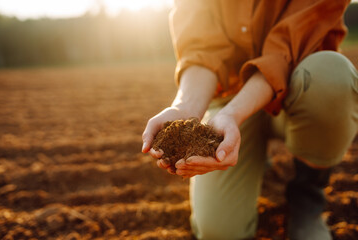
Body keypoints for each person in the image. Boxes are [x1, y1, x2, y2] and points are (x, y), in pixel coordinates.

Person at [142, 0, 357, 239]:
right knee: (220, 232)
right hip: (229, 101)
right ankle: (256, 165)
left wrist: (234, 113)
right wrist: (185, 107)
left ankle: (307, 198)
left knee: (332, 78)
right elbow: (201, 52)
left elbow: (284, 50)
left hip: (298, 88)